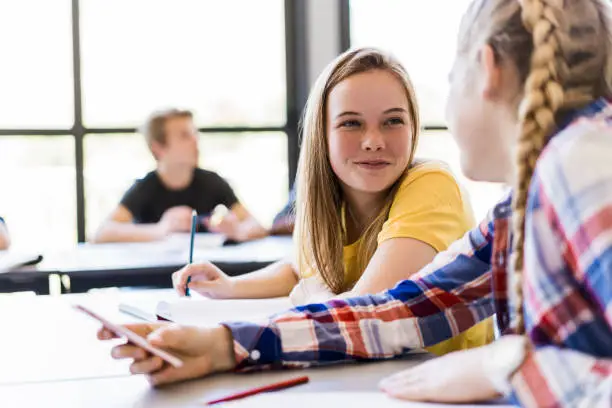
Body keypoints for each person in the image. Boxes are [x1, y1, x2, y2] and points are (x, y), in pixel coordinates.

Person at [100, 1, 612, 403]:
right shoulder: (529, 199)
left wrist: (505, 366)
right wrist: (225, 344)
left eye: (450, 80)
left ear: (488, 69)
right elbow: (407, 308)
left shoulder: (583, 159)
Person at [179, 49, 492, 354]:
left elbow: (362, 316)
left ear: (413, 128)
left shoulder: (432, 183)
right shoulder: (332, 199)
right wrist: (230, 285)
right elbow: (302, 270)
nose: (374, 142)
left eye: (393, 121)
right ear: (322, 134)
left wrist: (308, 295)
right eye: (351, 123)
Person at [92, 109, 267, 243]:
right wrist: (161, 229)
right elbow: (102, 233)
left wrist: (237, 231)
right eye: (185, 135)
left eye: (194, 133)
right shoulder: (146, 187)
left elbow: (257, 226)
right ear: (159, 148)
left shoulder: (212, 182)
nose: (195, 141)